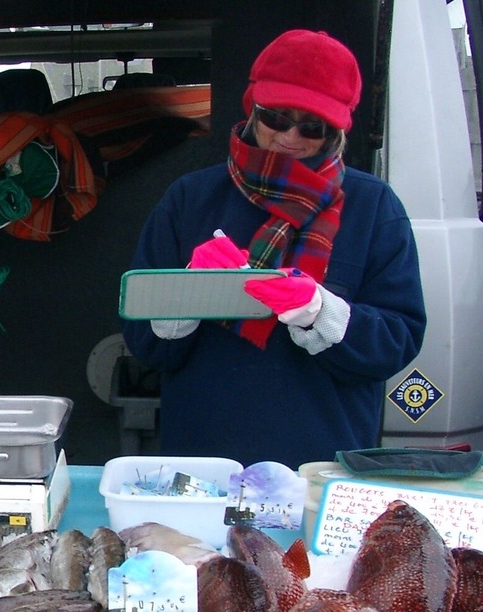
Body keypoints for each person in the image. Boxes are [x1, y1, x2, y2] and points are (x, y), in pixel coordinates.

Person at [121, 29, 426, 469]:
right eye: (277, 118)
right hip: (203, 464)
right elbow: (146, 346)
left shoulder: (374, 207)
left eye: (312, 126)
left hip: (321, 466)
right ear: (252, 108)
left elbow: (397, 342)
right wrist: (187, 290)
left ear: (337, 130)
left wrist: (321, 312)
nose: (290, 137)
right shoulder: (190, 198)